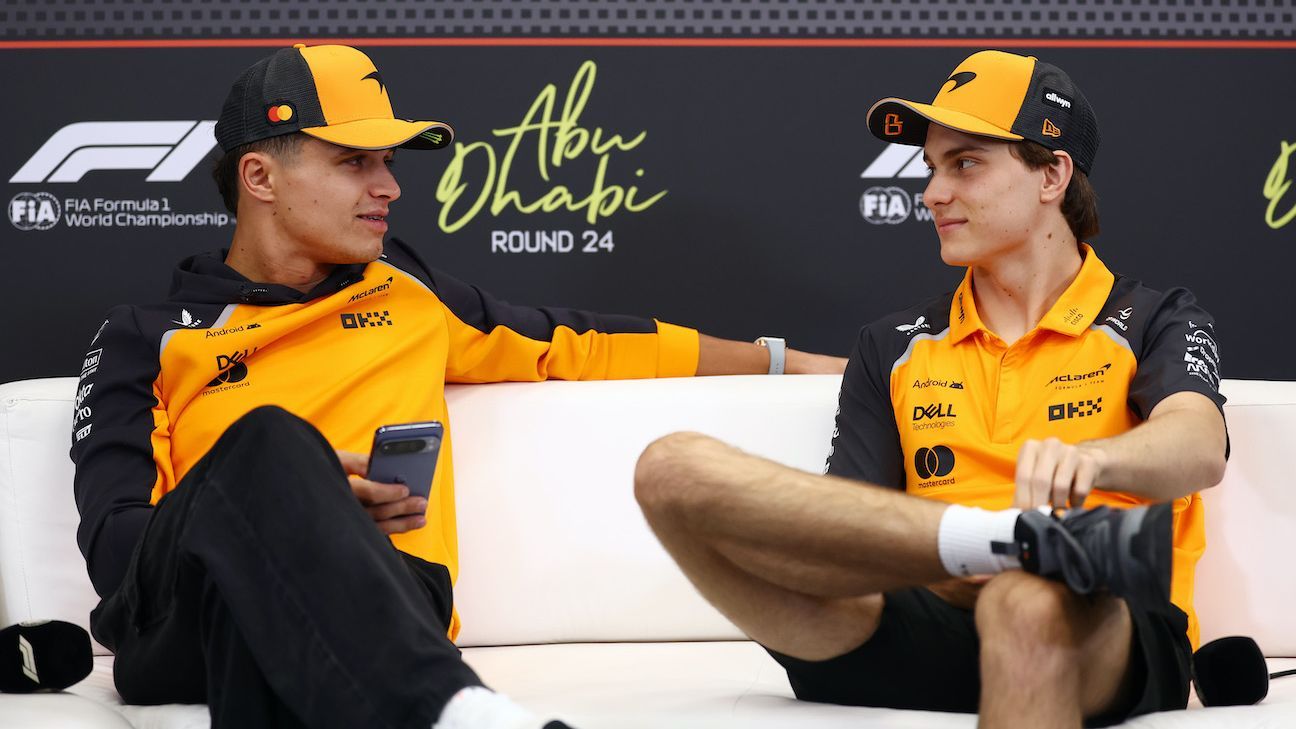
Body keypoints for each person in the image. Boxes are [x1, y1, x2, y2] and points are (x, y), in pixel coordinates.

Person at [70, 43, 844, 729]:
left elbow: (577, 341)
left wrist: (785, 361)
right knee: (271, 442)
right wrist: (286, 494)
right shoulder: (145, 337)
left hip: (392, 592)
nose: (389, 187)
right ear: (259, 176)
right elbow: (116, 552)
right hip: (193, 615)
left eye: (389, 163)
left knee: (277, 568)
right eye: (354, 162)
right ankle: (457, 712)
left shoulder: (409, 293)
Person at [634, 50, 1228, 728]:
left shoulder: (1153, 317)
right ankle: (1006, 539)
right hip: (924, 611)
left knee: (1021, 601)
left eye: (965, 164)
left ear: (1052, 175)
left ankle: (1029, 555)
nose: (933, 194)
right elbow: (846, 538)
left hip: (1098, 622)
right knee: (669, 469)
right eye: (931, 169)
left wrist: (1093, 461)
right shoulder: (890, 344)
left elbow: (1198, 443)